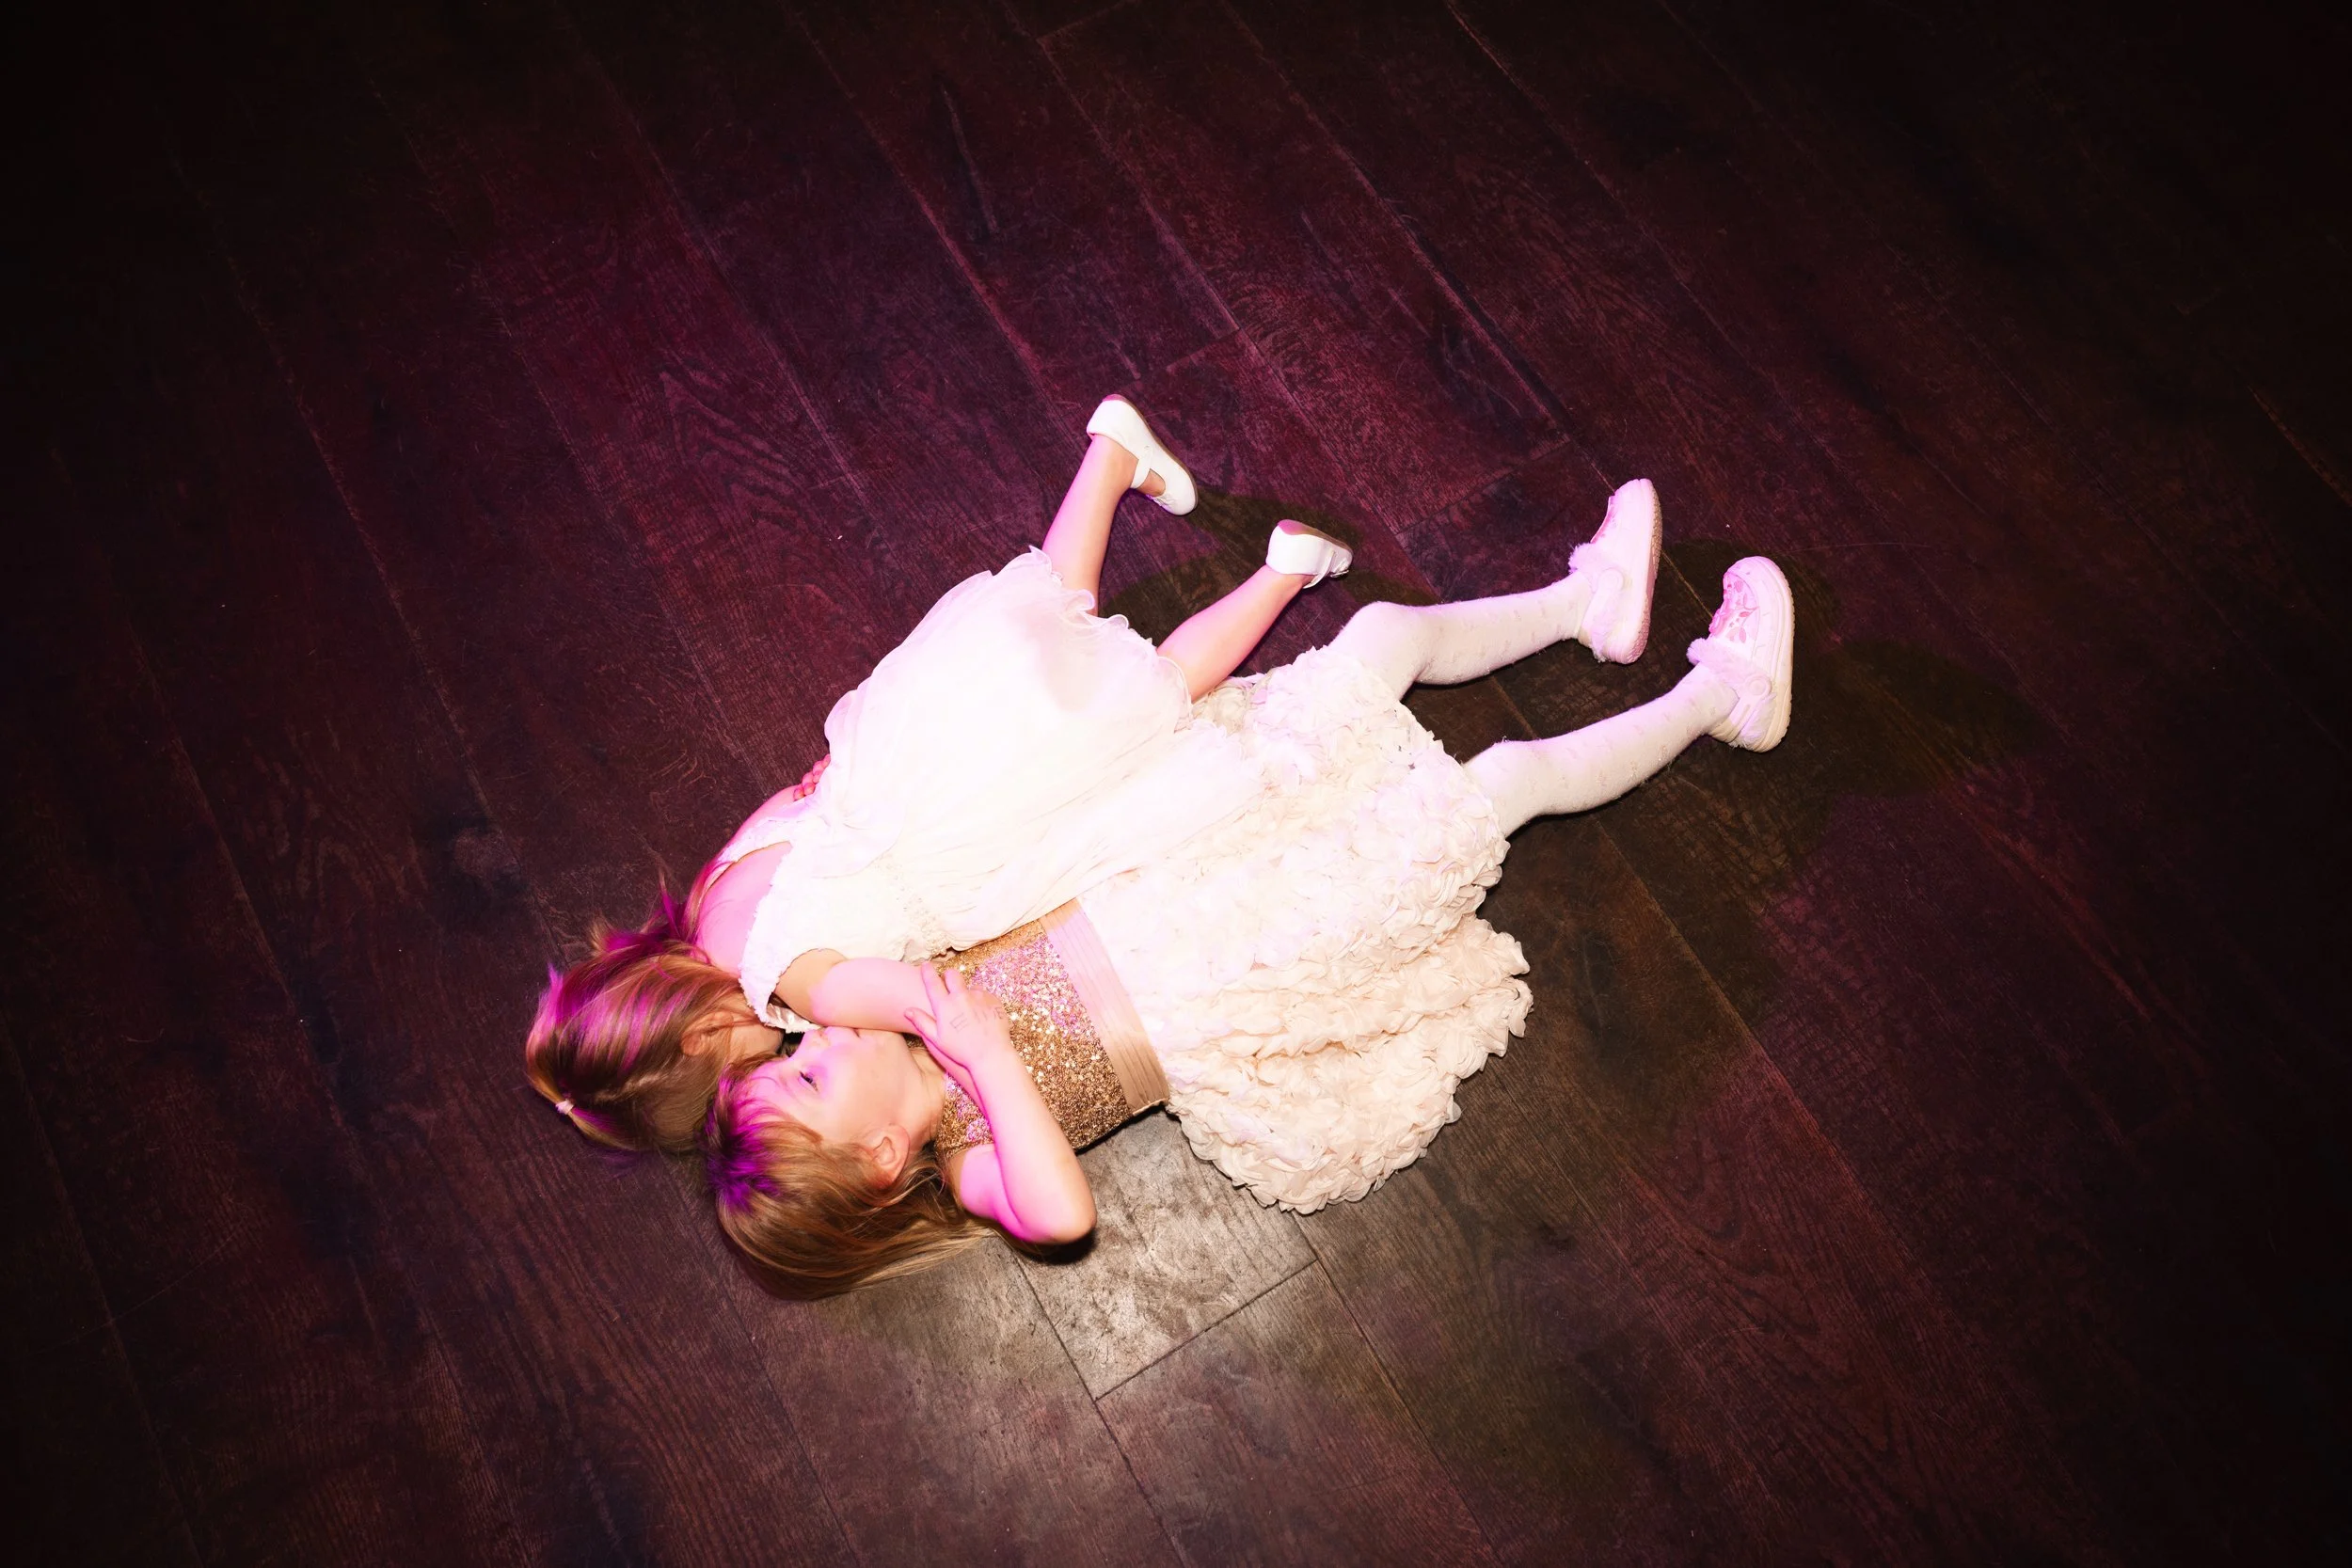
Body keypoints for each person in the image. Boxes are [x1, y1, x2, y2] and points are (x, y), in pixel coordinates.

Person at [699, 474, 1798, 1296]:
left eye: (786, 1059)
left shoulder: (904, 985)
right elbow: (1061, 1215)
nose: (806, 1044)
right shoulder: (970, 1151)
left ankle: (1586, 601)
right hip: (1271, 946)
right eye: (806, 1079)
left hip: (1200, 842)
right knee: (1504, 782)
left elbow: (846, 883)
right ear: (880, 1158)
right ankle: (1723, 698)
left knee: (1379, 637)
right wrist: (985, 1058)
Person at [526, 397, 1357, 1151]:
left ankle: (1284, 572)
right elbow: (791, 799)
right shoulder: (711, 887)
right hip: (908, 744)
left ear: (701, 1038)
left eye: (728, 1078)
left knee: (1156, 696)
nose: (756, 1074)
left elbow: (922, 996)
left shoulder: (791, 983)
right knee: (1046, 611)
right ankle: (1109, 456)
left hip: (967, 825)